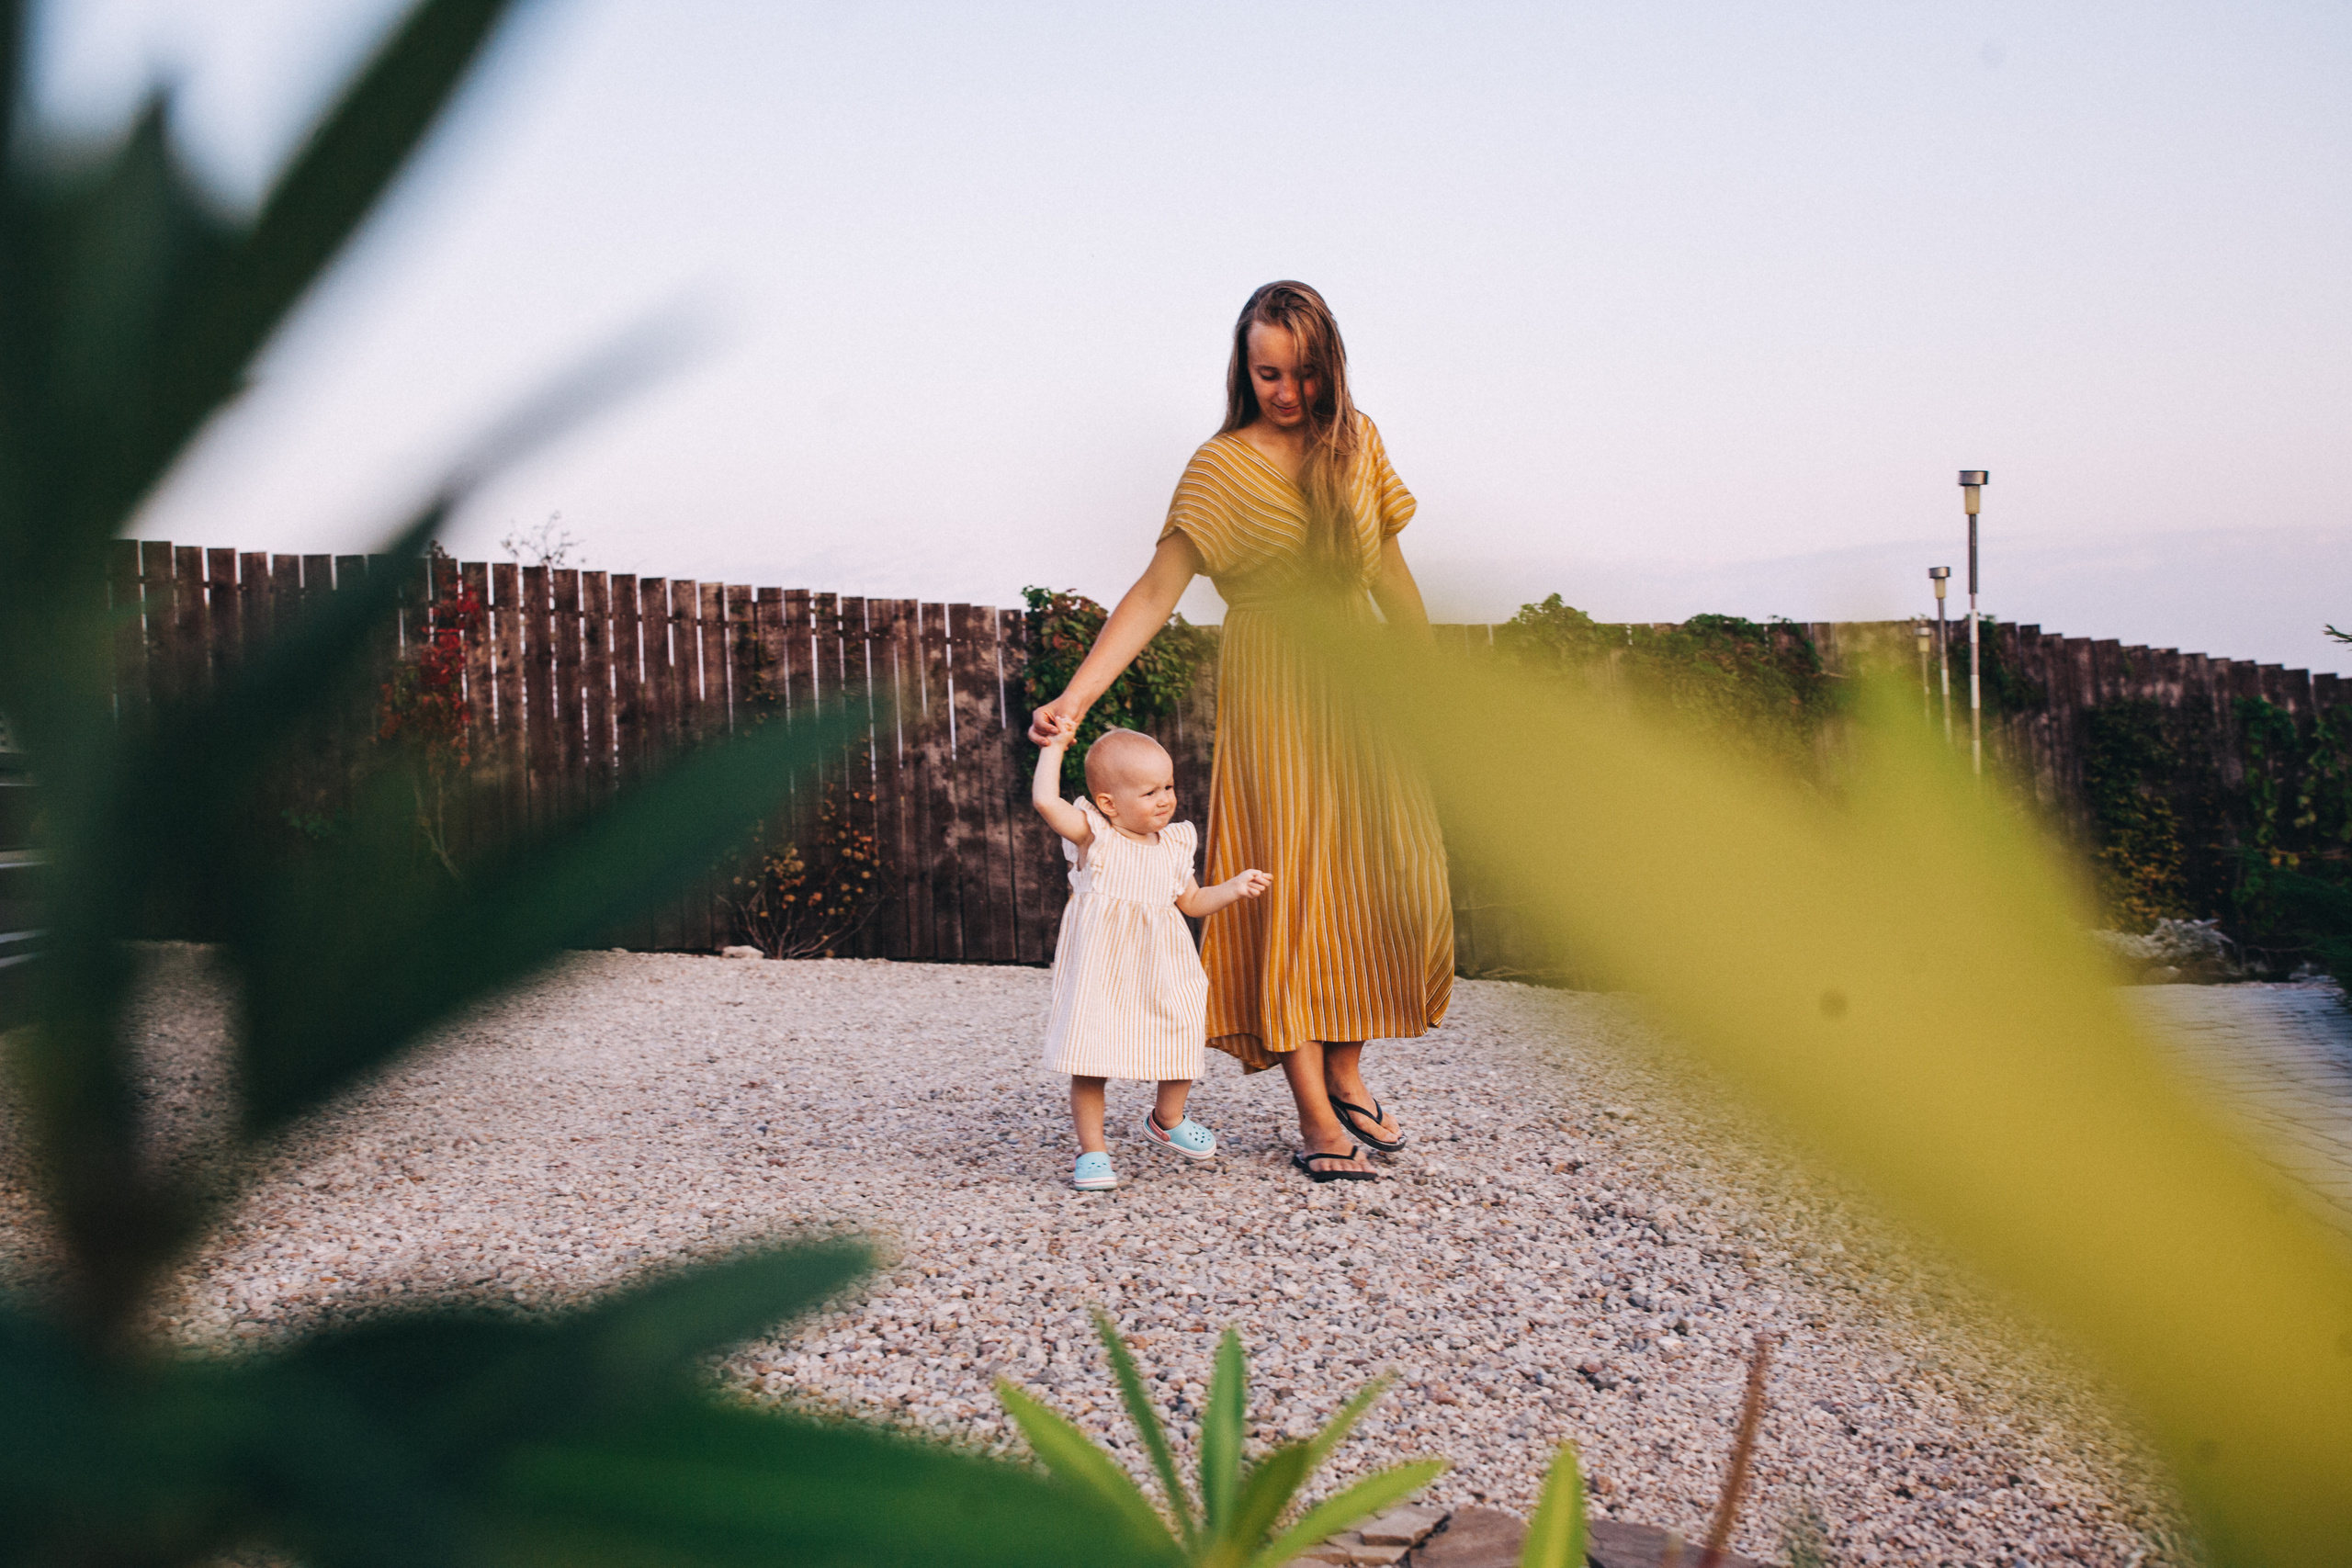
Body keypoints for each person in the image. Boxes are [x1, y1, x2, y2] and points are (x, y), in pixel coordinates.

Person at [1026, 280, 1453, 1184]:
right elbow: (1155, 591)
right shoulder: (1219, 467)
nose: (1287, 392)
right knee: (1287, 893)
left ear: (1329, 366)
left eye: (1303, 373)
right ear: (1243, 371)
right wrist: (1075, 697)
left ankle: (1345, 1072)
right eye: (1268, 375)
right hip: (1276, 692)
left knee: (1382, 881)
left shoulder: (1359, 442)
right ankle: (1315, 1116)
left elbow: (1390, 571)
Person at [1032, 719, 1272, 1190]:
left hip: (1164, 966)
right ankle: (1093, 1151)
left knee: (1182, 1031)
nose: (1165, 799)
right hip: (1102, 972)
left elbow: (1192, 902)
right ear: (1108, 803)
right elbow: (1044, 800)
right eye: (1149, 792)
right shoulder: (1093, 835)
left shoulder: (1174, 844)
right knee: (1091, 1058)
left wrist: (1233, 888)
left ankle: (1167, 1117)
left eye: (1169, 787)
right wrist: (1054, 746)